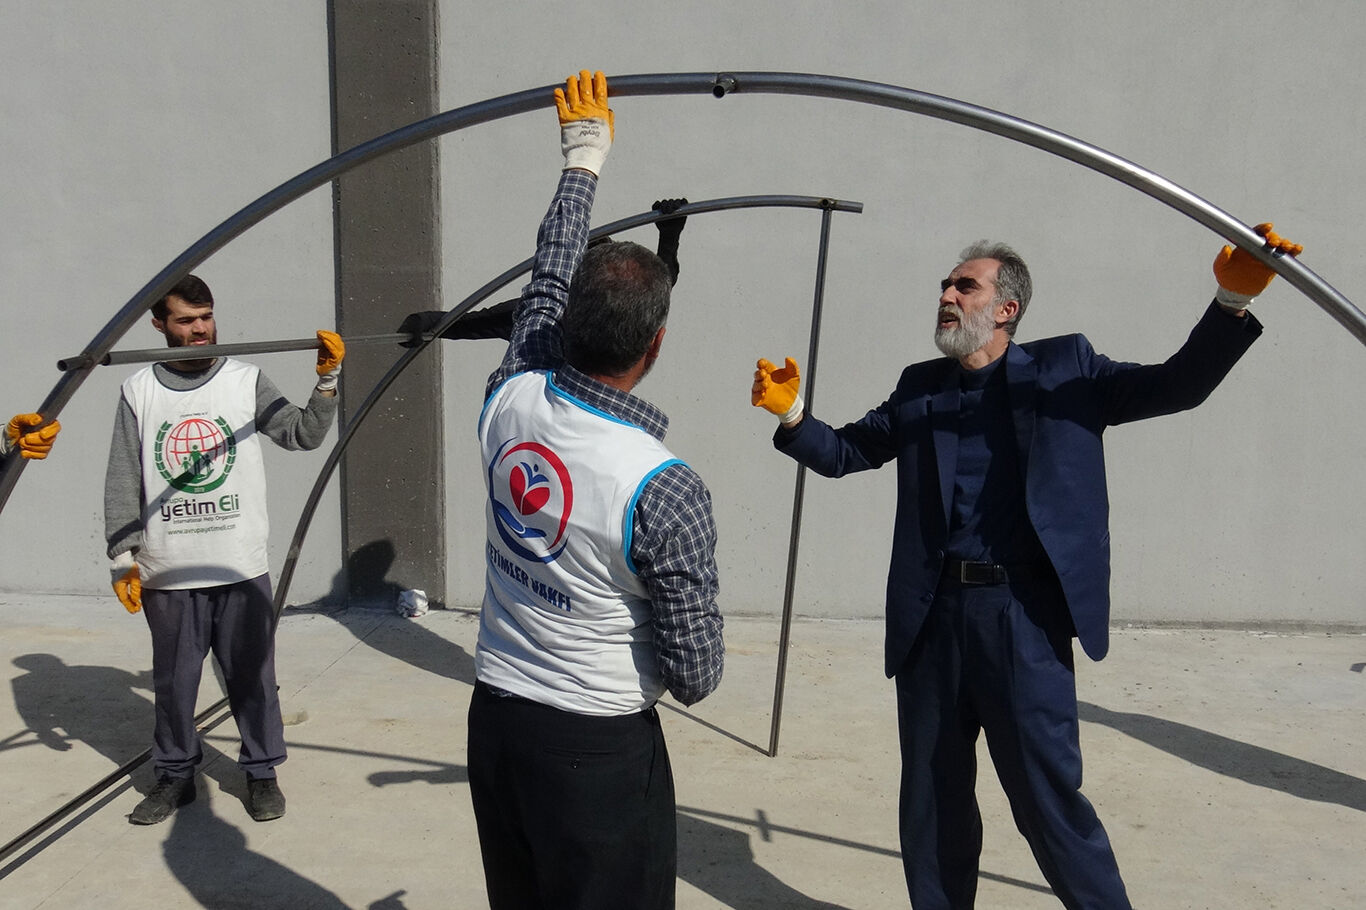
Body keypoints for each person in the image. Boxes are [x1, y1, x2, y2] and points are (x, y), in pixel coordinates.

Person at [750, 223, 1301, 909]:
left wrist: (1230, 301)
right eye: (945, 285)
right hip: (932, 622)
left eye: (965, 286)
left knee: (1047, 800)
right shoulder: (920, 387)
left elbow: (1177, 385)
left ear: (1006, 307)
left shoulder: (1068, 370)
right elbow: (846, 453)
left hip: (1023, 621)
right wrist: (794, 415)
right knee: (932, 804)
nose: (947, 295)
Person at [465, 70, 724, 910]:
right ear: (655, 346)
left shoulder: (510, 398)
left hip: (498, 721)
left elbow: (547, 276)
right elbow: (696, 673)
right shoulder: (664, 485)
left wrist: (583, 157)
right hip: (596, 751)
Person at [103, 274, 344, 825]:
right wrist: (122, 557)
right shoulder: (138, 390)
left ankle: (261, 772)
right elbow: (123, 476)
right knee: (174, 684)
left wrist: (327, 382)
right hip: (169, 569)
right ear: (159, 324)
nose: (200, 330)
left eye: (206, 316)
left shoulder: (244, 380)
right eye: (186, 320)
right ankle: (174, 775)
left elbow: (302, 435)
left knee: (253, 678)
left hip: (238, 563)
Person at [398, 197, 689, 343]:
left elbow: (658, 281)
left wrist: (670, 232)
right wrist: (425, 325)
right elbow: (473, 324)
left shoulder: (618, 308)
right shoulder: (545, 313)